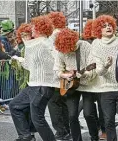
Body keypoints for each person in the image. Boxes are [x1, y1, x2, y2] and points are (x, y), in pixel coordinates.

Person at [9, 15, 56, 141]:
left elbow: (29, 65)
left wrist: (19, 57)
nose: (32, 29)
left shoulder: (37, 44)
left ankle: (28, 136)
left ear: (40, 29)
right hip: (36, 85)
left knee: (37, 119)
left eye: (34, 27)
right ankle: (25, 136)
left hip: (41, 86)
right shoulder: (47, 43)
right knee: (15, 105)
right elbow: (33, 65)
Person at [54, 28, 99, 141]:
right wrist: (64, 75)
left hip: (88, 84)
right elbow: (57, 69)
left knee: (88, 114)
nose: (69, 51)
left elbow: (93, 66)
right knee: (72, 115)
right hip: (71, 86)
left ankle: (94, 137)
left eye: (71, 48)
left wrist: (85, 74)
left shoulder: (85, 46)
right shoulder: (61, 51)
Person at [46, 11, 71, 140]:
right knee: (63, 103)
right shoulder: (65, 34)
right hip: (66, 72)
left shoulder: (52, 36)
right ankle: (67, 129)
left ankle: (61, 131)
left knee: (54, 103)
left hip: (55, 74)